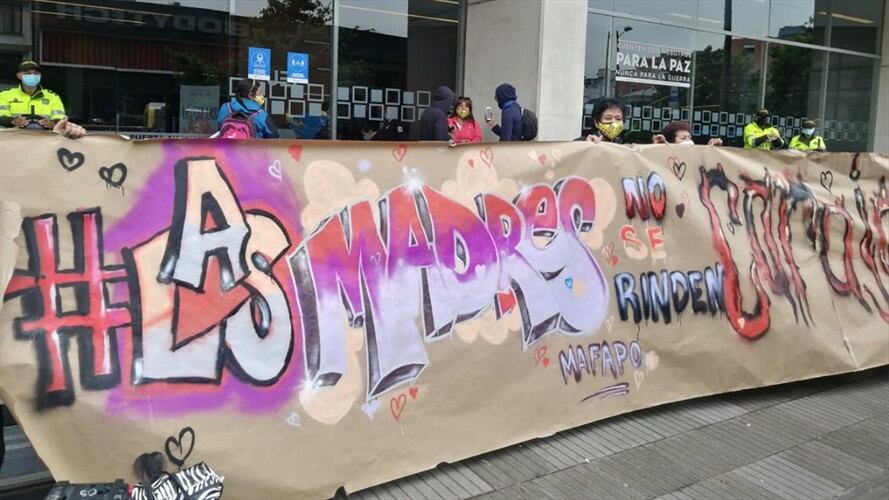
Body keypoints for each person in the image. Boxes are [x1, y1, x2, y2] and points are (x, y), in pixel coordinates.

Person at [0, 60, 85, 138]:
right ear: (19, 76)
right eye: (27, 73)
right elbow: (1, 116)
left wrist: (53, 123)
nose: (32, 76)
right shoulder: (5, 95)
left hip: (44, 141)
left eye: (36, 73)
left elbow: (61, 119)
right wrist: (13, 121)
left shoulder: (52, 97)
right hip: (14, 139)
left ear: (40, 76)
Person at [653, 121, 722, 146]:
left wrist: (710, 150)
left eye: (689, 138)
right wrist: (655, 147)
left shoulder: (694, 157)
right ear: (671, 142)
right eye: (683, 138)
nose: (688, 141)